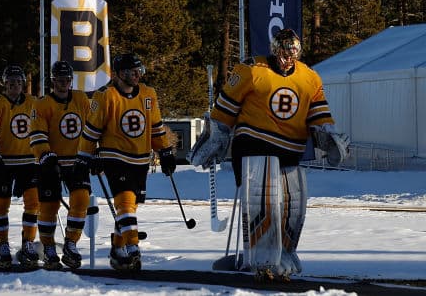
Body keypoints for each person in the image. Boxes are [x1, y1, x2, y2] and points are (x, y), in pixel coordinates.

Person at [191, 28, 349, 282]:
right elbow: (225, 108)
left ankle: (284, 253)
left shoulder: (310, 78)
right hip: (254, 143)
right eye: (285, 52)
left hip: (290, 150)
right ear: (275, 50)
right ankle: (261, 255)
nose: (289, 57)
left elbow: (318, 114)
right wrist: (217, 135)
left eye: (294, 52)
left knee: (292, 203)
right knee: (262, 196)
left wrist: (327, 137)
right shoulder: (251, 70)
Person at [75, 52, 174, 271]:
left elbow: (156, 127)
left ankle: (117, 249)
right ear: (119, 74)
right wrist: (85, 157)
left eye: (139, 70)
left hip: (140, 160)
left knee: (130, 208)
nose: (137, 75)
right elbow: (92, 130)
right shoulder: (105, 96)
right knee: (126, 202)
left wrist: (165, 152)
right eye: (131, 71)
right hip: (114, 158)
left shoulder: (148, 94)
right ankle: (133, 246)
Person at [29, 60, 93, 269]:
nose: (63, 84)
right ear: (52, 81)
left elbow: (93, 126)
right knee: (49, 206)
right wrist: (46, 155)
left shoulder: (82, 99)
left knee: (81, 200)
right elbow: (37, 133)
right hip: (51, 162)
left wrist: (96, 151)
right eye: (59, 80)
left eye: (66, 80)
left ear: (71, 81)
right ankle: (48, 247)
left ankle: (71, 244)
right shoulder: (42, 104)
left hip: (76, 161)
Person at [0, 64, 41, 268]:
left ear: (23, 83)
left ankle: (28, 243)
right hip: (4, 161)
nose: (15, 85)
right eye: (11, 82)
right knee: (0, 205)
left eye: (18, 81)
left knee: (33, 203)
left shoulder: (33, 102)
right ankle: (2, 243)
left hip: (29, 161)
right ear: (5, 84)